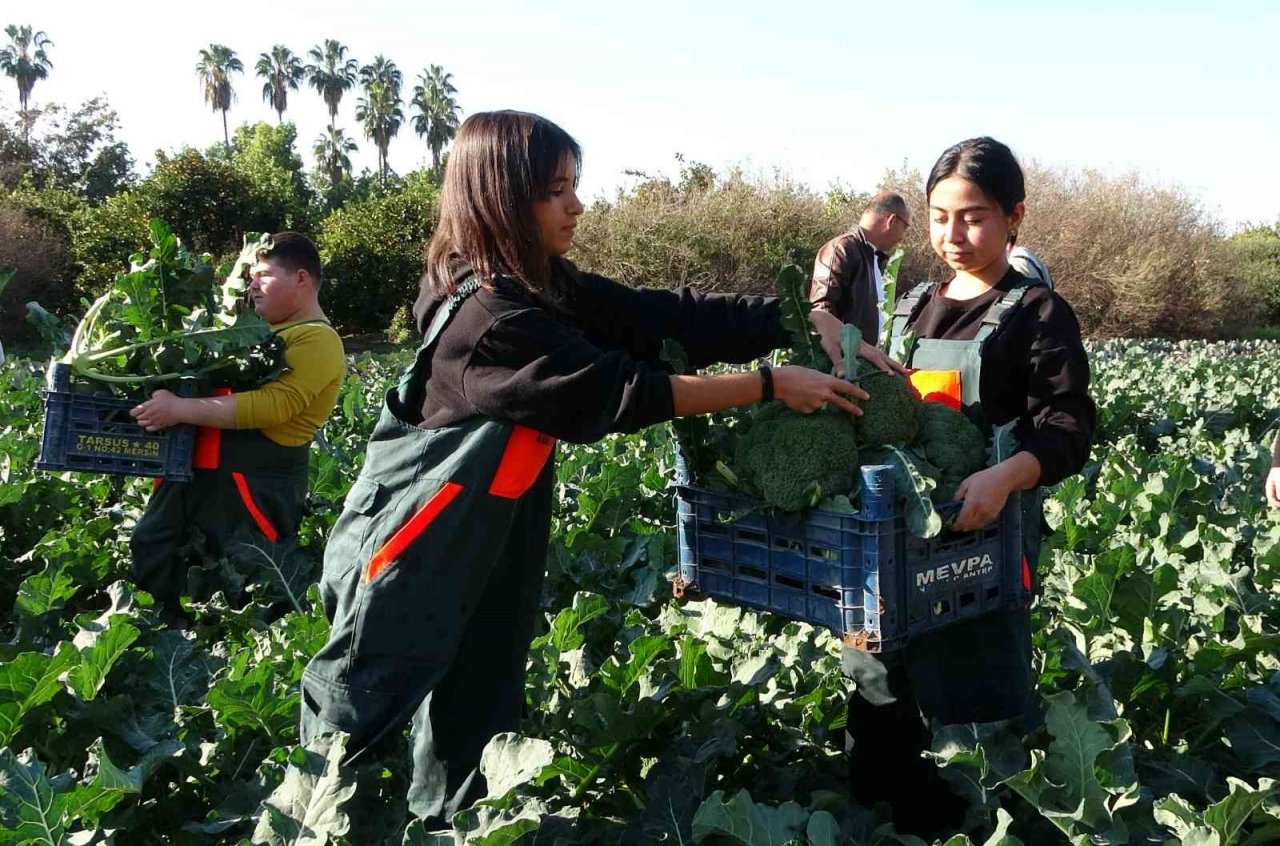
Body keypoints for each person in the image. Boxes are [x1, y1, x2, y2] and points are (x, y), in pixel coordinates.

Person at [298, 110, 867, 828]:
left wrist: (795, 316)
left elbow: (655, 315)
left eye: (575, 185)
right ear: (502, 197)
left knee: (477, 700)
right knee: (356, 717)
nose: (577, 205)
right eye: (555, 191)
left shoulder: (535, 285)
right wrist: (766, 383)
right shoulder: (490, 317)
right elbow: (618, 393)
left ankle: (452, 825)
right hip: (414, 541)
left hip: (487, 528)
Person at [814, 137, 1095, 838]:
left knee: (970, 716)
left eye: (972, 217)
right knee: (877, 696)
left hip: (981, 546)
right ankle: (881, 816)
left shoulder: (1036, 313)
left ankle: (975, 822)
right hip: (894, 542)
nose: (953, 235)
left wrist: (1005, 476)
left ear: (1013, 216)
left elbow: (1068, 428)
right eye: (940, 217)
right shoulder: (912, 304)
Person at [129, 232, 346, 618]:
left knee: (240, 586)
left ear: (301, 279)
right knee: (155, 546)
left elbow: (273, 406)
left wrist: (181, 409)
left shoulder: (318, 338)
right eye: (251, 277)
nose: (253, 284)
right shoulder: (259, 333)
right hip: (199, 475)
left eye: (263, 274)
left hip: (253, 487)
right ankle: (163, 640)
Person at [809, 191, 912, 374]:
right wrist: (841, 363)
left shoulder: (871, 256)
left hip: (860, 365)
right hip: (843, 368)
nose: (902, 236)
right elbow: (822, 309)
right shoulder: (842, 249)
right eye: (905, 227)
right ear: (892, 221)